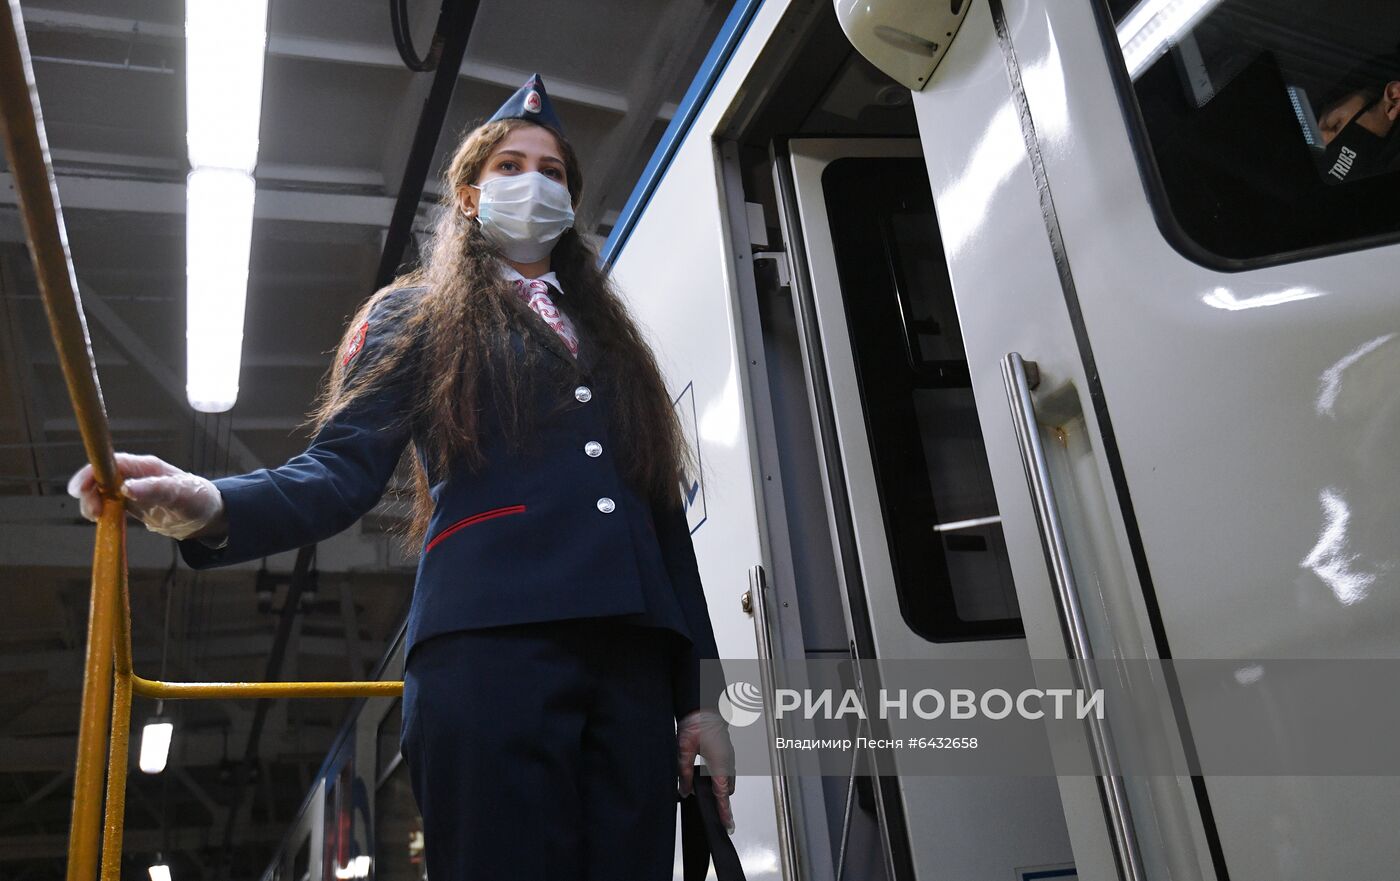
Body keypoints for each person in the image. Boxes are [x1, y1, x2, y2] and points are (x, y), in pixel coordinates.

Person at [67, 74, 736, 881]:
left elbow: (666, 529)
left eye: (553, 171)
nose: (534, 182)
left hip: (630, 671)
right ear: (467, 195)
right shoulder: (414, 316)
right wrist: (210, 502)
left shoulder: (617, 345)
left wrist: (701, 702)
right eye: (510, 166)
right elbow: (337, 473)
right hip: (490, 658)